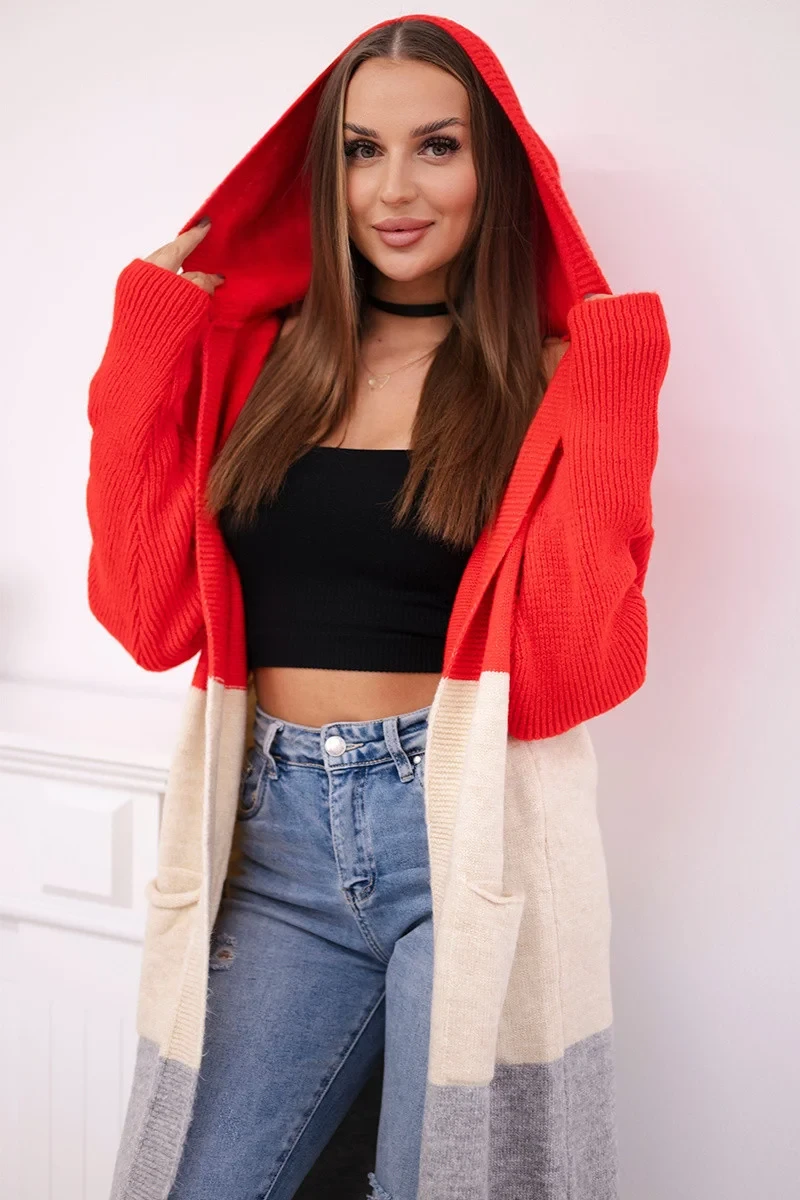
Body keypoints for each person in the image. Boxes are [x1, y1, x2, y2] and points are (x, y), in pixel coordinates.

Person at [85, 13, 670, 1200]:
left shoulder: (545, 379)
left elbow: (566, 678)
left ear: (495, 170)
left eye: (435, 146)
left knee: (443, 1182)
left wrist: (611, 381)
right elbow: (148, 618)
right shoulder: (265, 364)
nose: (393, 188)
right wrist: (145, 337)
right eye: (360, 150)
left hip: (462, 838)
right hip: (274, 841)